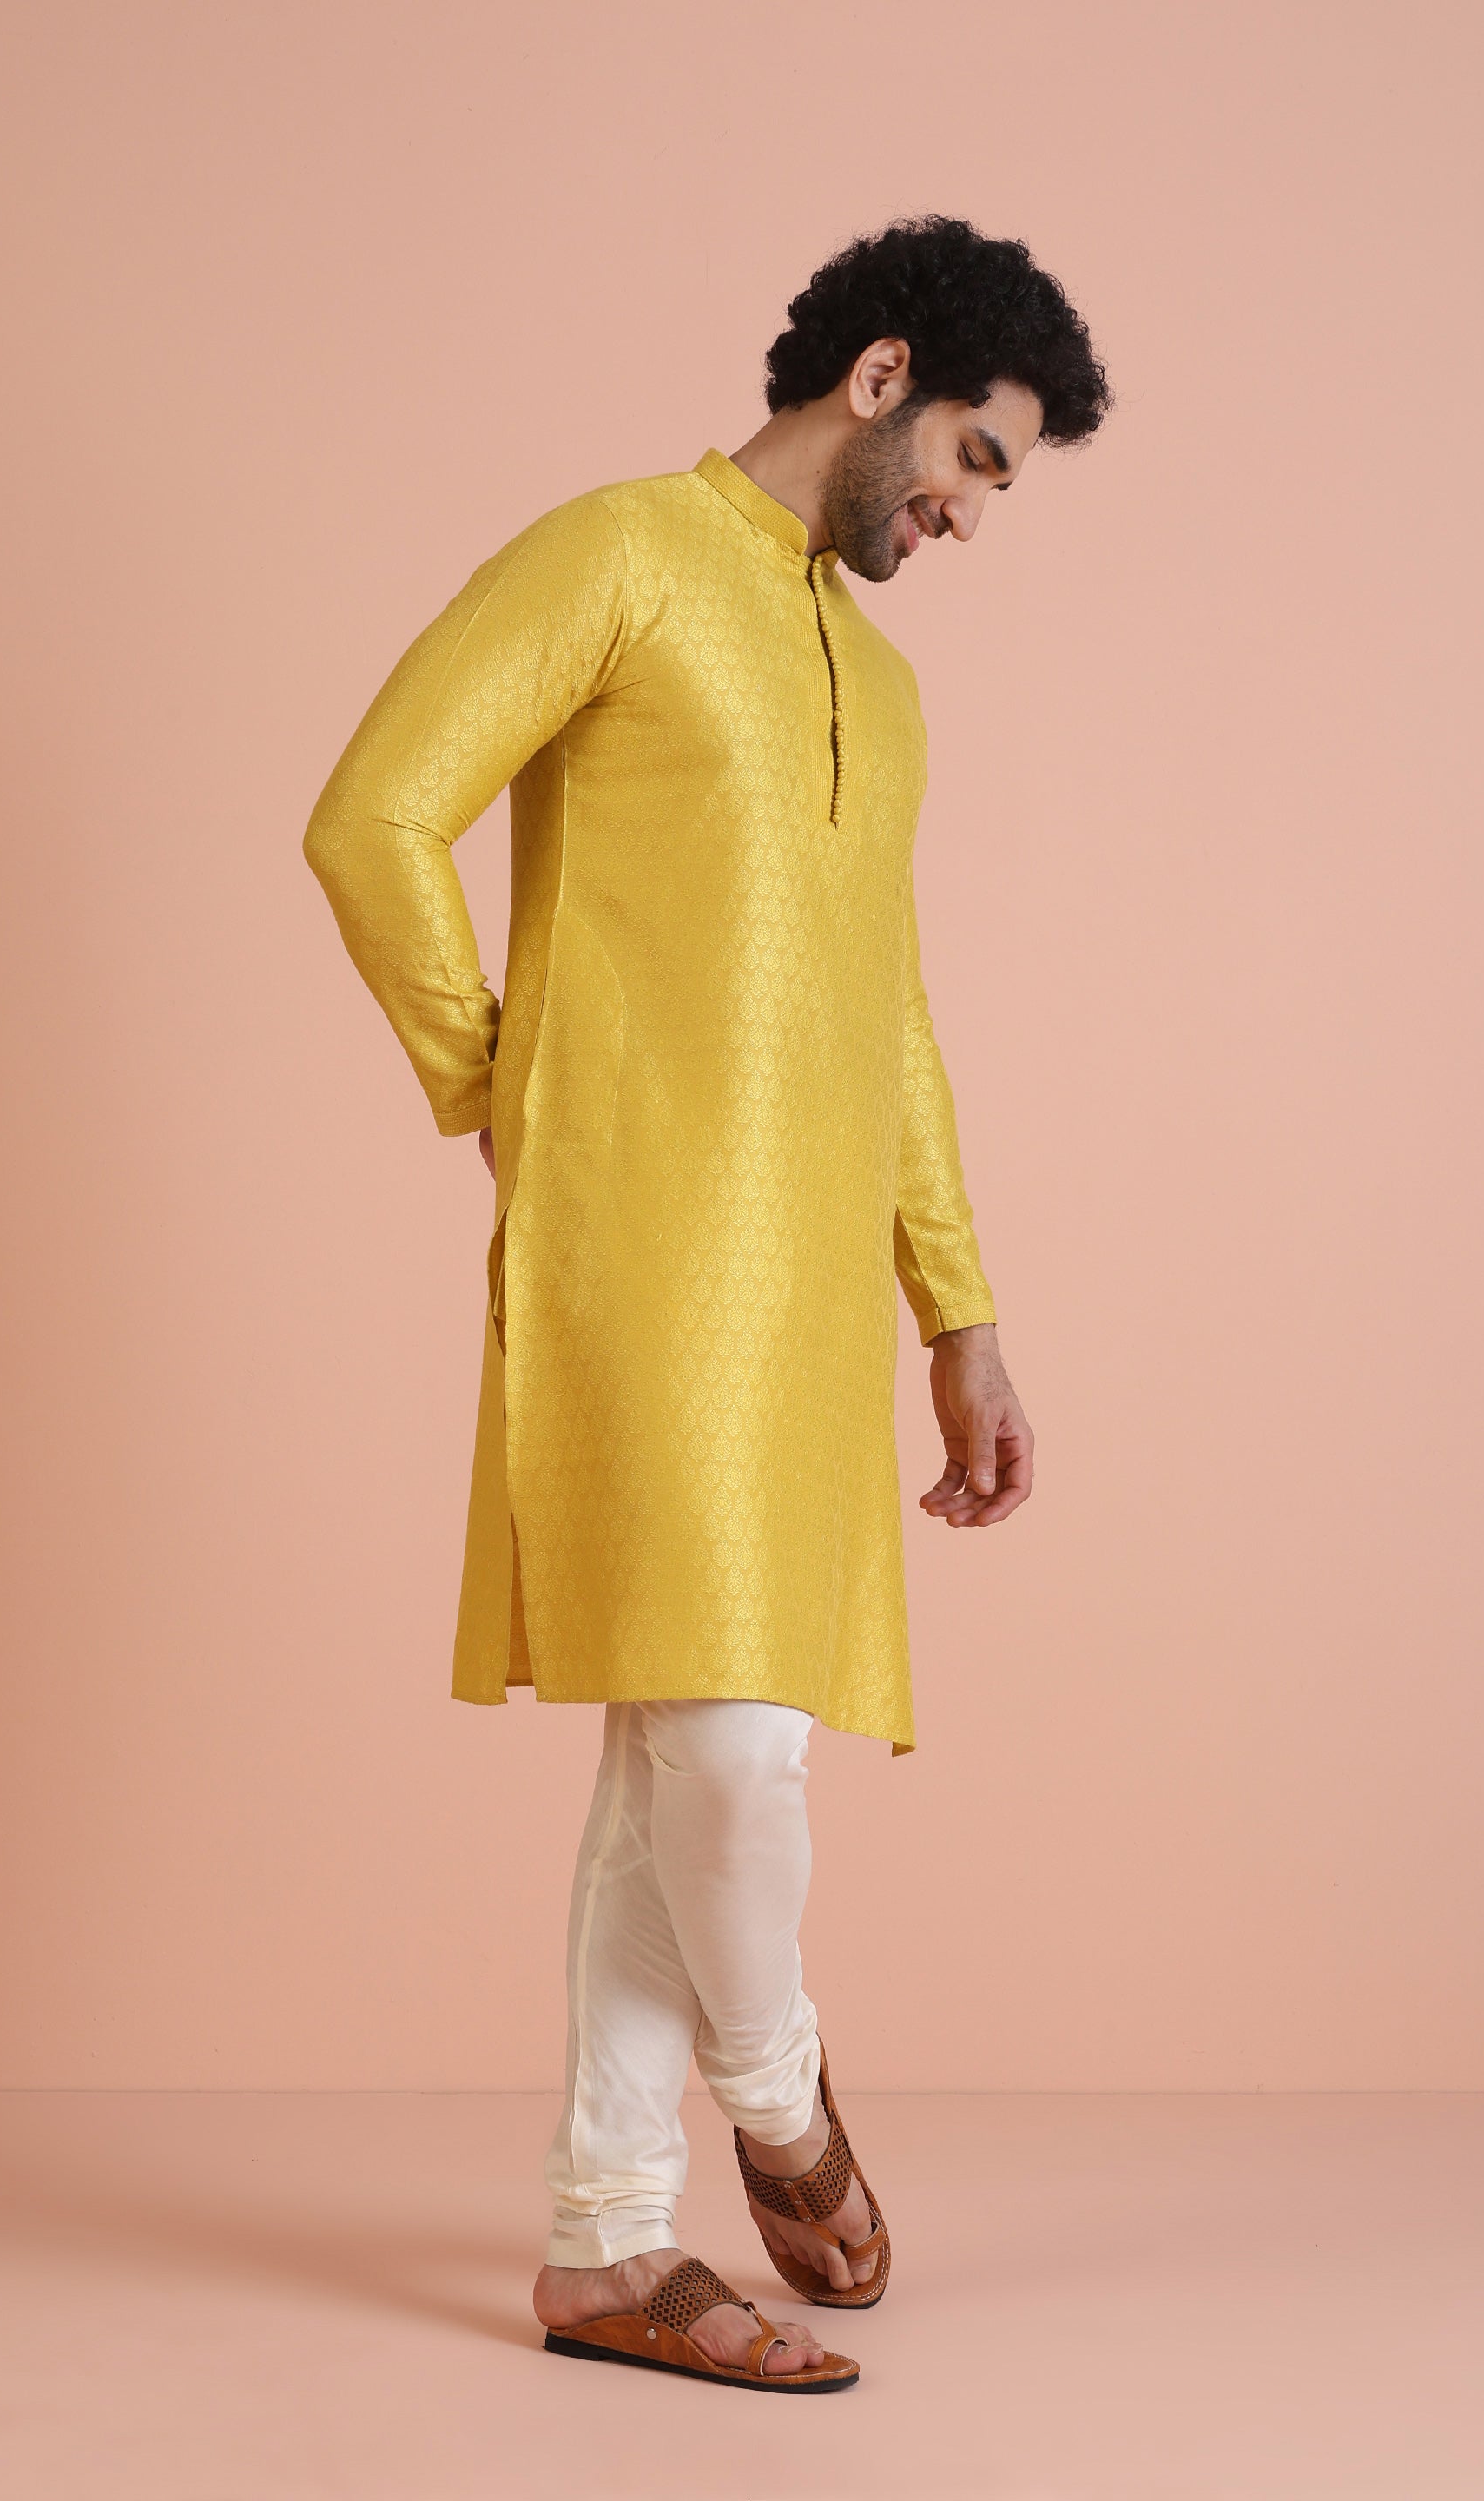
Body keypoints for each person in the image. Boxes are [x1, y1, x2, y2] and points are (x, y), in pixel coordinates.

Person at [303, 214, 1110, 2393]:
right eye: (978, 456)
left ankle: (604, 2244)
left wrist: (961, 1313)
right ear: (880, 376)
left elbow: (889, 1010)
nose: (974, 513)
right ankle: (781, 2093)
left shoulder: (890, 690)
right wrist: (499, 1085)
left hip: (809, 1291)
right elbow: (373, 817)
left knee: (678, 1751)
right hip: (636, 1257)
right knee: (733, 1747)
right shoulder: (620, 556)